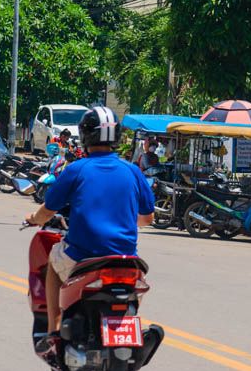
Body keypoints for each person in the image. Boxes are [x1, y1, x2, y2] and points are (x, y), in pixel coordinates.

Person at [25, 106, 155, 349]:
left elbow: (47, 211)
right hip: (126, 260)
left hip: (82, 256)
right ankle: (128, 323)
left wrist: (34, 218)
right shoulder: (132, 171)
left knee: (53, 264)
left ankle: (53, 332)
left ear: (85, 136)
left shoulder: (76, 169)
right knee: (131, 292)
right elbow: (147, 218)